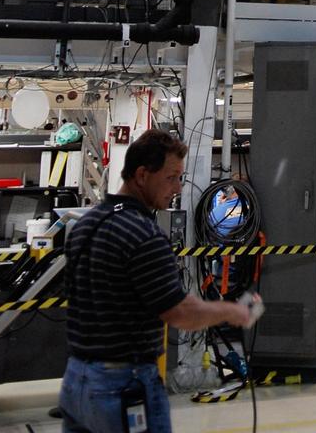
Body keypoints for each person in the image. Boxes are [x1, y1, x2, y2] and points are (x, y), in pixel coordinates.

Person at [59, 128, 260, 433]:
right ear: (142, 175)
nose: (178, 187)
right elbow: (179, 312)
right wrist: (233, 312)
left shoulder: (85, 225)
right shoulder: (143, 234)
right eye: (171, 177)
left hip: (77, 381)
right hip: (123, 385)